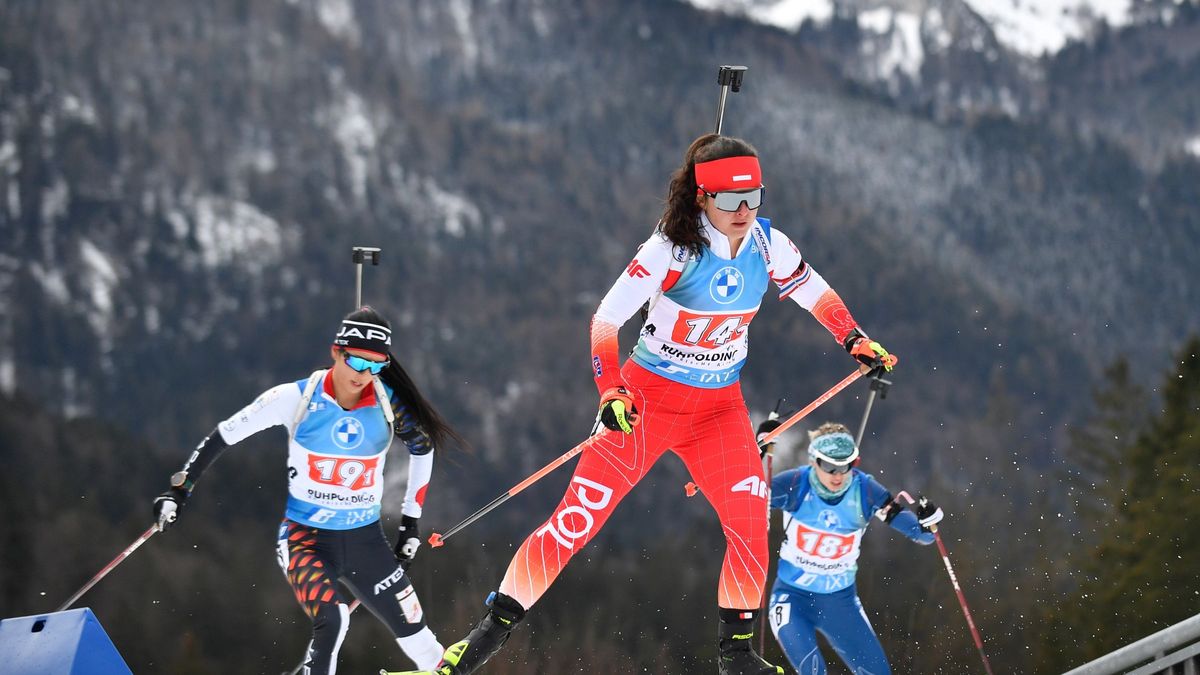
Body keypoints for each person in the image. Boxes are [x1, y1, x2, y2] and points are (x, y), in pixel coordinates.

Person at [390, 133, 896, 675]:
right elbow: (606, 321)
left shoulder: (771, 246)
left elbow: (814, 292)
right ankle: (477, 646)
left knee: (750, 526)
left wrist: (854, 339)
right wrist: (610, 390)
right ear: (703, 197)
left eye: (754, 198)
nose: (744, 211)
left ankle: (737, 657)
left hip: (718, 411)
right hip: (645, 405)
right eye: (729, 200)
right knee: (574, 525)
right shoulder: (671, 250)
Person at [152, 306, 460, 675]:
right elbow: (224, 435)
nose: (364, 376)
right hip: (305, 540)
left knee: (420, 639)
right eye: (357, 363)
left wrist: (411, 524)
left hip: (365, 542)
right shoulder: (294, 398)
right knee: (334, 621)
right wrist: (180, 490)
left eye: (376, 366)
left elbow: (422, 449)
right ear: (336, 352)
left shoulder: (387, 403)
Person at [757, 420, 943, 674]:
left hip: (840, 603)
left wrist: (928, 522)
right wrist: (757, 456)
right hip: (792, 599)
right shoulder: (795, 484)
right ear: (813, 461)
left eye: (845, 465)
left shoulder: (864, 490)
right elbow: (743, 498)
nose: (838, 474)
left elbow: (922, 536)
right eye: (829, 465)